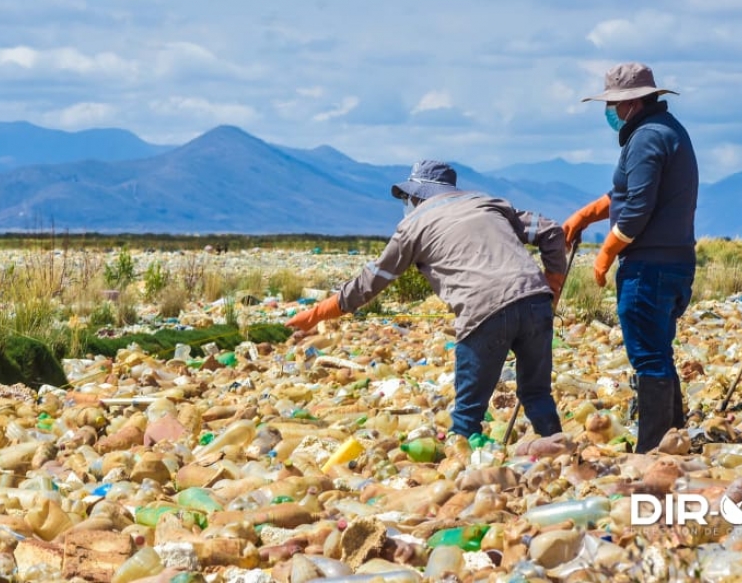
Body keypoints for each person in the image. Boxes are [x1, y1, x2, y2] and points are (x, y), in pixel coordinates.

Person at [285, 160, 569, 441]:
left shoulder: (413, 226)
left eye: (407, 198)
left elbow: (370, 282)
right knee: (536, 393)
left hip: (483, 311)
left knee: (468, 414)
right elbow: (551, 231)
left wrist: (316, 314)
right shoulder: (487, 203)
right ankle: (559, 454)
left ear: (415, 196)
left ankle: (462, 471)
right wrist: (553, 285)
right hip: (535, 300)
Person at [562, 63, 698, 453]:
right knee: (659, 348)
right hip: (674, 261)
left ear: (633, 103)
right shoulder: (666, 132)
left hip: (649, 266)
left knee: (648, 355)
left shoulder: (646, 138)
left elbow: (637, 208)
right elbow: (625, 194)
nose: (612, 112)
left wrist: (605, 253)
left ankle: (652, 449)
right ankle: (674, 438)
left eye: (615, 104)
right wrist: (586, 215)